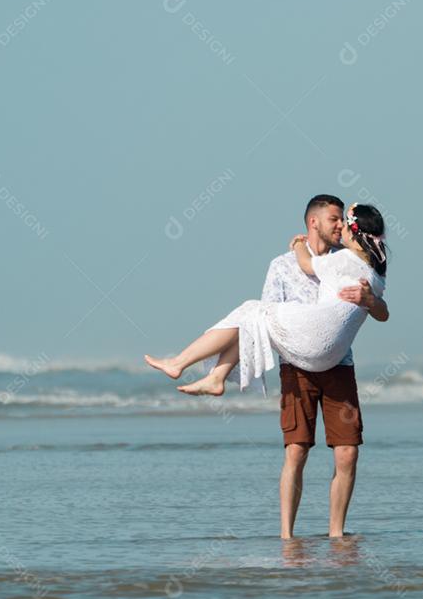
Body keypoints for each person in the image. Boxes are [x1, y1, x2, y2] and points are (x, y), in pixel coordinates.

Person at [145, 198, 389, 537]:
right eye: (333, 219)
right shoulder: (282, 266)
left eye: (342, 221)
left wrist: (370, 301)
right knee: (297, 451)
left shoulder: (348, 262)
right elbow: (267, 318)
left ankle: (337, 535)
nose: (338, 226)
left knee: (347, 453)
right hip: (295, 361)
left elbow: (383, 312)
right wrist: (300, 251)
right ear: (313, 222)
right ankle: (287, 536)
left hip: (338, 364)